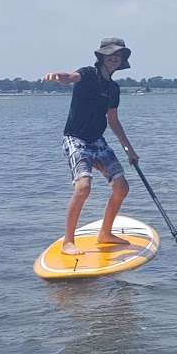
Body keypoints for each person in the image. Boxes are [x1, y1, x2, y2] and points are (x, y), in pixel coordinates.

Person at [43, 38, 140, 255]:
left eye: (119, 55)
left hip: (97, 141)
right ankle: (68, 241)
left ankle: (105, 233)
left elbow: (113, 120)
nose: (115, 58)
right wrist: (59, 76)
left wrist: (129, 150)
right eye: (111, 54)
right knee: (83, 187)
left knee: (122, 187)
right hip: (76, 139)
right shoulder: (87, 74)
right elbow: (70, 78)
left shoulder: (113, 88)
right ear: (102, 56)